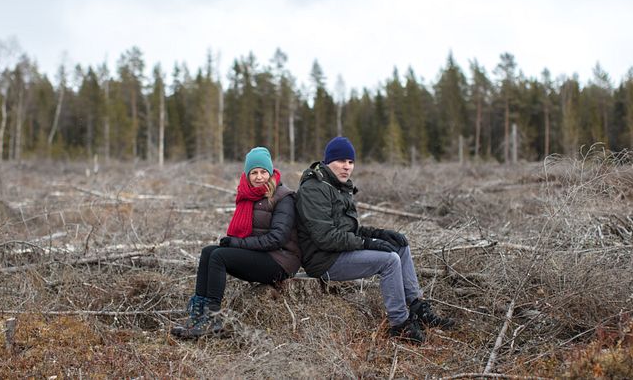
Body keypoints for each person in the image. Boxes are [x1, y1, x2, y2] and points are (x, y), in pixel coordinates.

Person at [295, 136, 454, 343]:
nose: (347, 167)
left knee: (400, 247)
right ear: (327, 162)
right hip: (323, 260)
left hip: (338, 251)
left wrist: (379, 234)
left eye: (351, 162)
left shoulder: (337, 186)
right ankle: (399, 324)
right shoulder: (314, 189)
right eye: (341, 161)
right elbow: (325, 237)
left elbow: (349, 229)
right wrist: (367, 243)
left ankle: (418, 308)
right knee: (389, 260)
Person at [171, 147, 301, 338]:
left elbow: (276, 239)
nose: (259, 177)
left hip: (281, 260)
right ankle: (198, 315)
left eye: (263, 172)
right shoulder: (248, 195)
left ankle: (212, 319)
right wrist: (236, 243)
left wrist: (237, 244)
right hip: (263, 254)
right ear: (247, 175)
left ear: (271, 172)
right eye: (254, 172)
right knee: (208, 252)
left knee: (219, 257)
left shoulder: (284, 197)